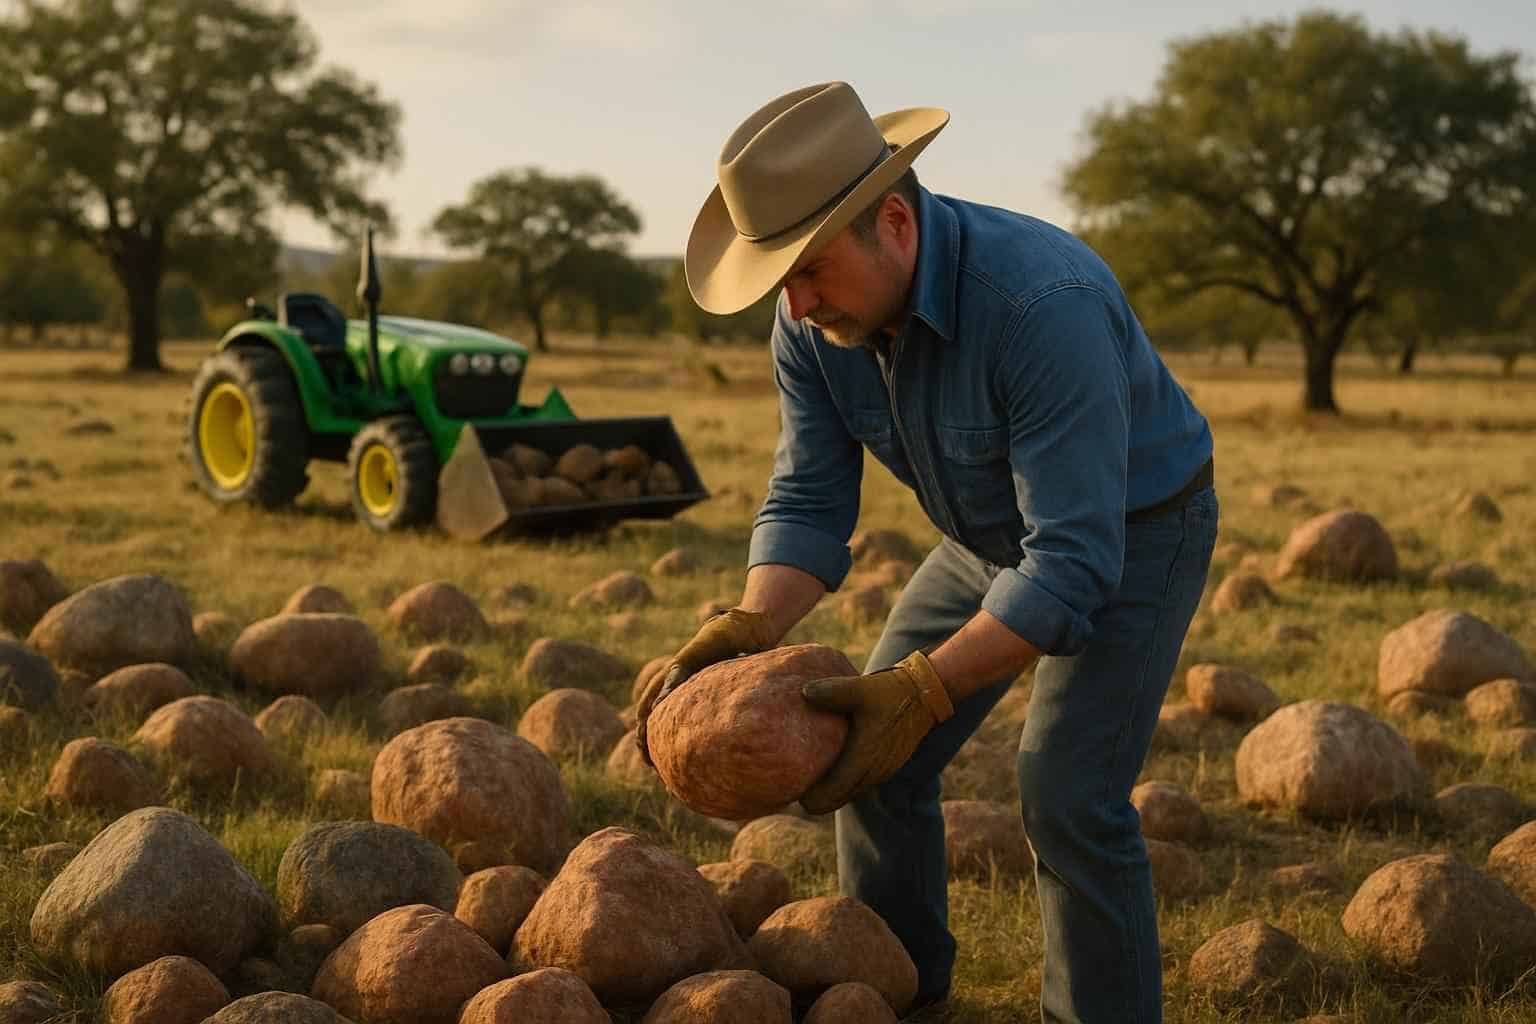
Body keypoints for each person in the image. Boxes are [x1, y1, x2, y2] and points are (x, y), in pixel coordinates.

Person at [636, 81, 1217, 1024]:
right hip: (981, 538)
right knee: (870, 754)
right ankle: (900, 994)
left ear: (895, 224)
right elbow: (810, 496)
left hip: (1132, 530)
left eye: (812, 268)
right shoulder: (811, 321)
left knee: (1066, 794)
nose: (796, 300)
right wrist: (750, 624)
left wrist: (920, 690)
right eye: (779, 276)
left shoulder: (1041, 307)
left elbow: (1070, 566)